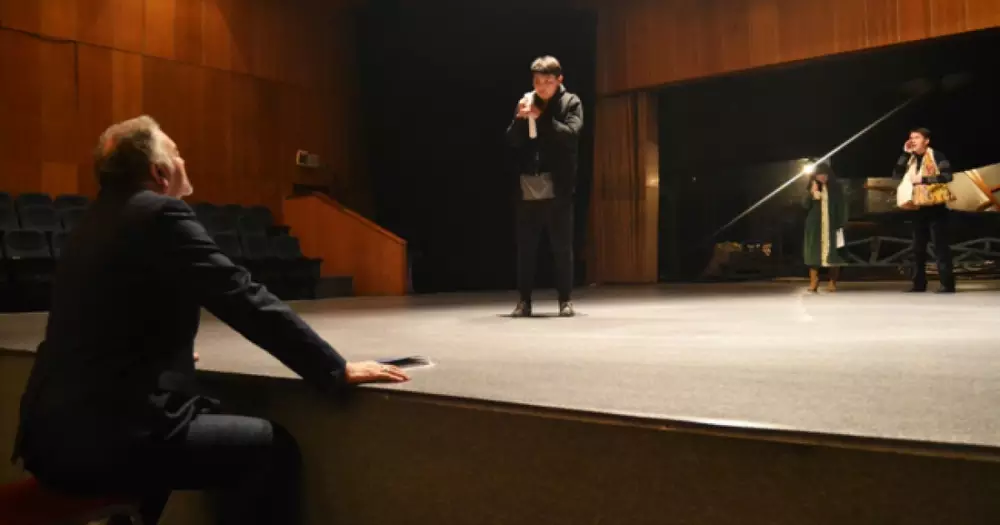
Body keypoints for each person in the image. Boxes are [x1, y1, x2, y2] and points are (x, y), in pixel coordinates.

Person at [10, 116, 410, 525]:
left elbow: (104, 319)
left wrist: (165, 353)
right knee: (271, 450)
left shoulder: (93, 221)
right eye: (177, 153)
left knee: (190, 423)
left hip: (47, 436)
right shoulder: (159, 214)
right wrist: (333, 368)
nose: (183, 160)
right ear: (160, 172)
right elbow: (241, 296)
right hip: (103, 442)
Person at [505, 56, 584, 317]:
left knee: (561, 248)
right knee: (526, 248)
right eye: (537, 81)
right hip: (528, 185)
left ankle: (565, 300)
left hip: (558, 187)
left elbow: (571, 135)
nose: (541, 87)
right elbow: (512, 141)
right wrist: (520, 119)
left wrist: (543, 118)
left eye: (547, 81)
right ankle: (524, 301)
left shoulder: (570, 102)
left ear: (559, 80)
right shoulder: (527, 100)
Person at [892, 127, 956, 293]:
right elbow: (896, 175)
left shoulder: (936, 155)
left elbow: (947, 176)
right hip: (917, 207)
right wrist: (905, 153)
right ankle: (919, 284)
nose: (912, 140)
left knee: (940, 247)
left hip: (935, 207)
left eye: (917, 137)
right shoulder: (911, 158)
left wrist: (923, 179)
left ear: (926, 141)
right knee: (917, 248)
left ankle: (947, 284)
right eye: (911, 137)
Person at [801, 161, 848, 292]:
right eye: (819, 175)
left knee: (834, 254)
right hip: (815, 226)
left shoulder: (836, 188)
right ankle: (813, 282)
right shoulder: (812, 186)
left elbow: (842, 206)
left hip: (832, 225)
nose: (822, 177)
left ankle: (832, 282)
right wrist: (811, 193)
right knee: (813, 254)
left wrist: (842, 223)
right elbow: (805, 205)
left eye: (824, 175)